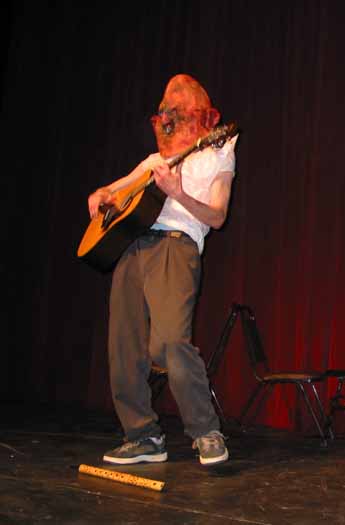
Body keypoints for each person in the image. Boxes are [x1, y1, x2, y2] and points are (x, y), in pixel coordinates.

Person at [87, 74, 238, 466]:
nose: (169, 120)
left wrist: (177, 193)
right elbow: (112, 191)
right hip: (132, 247)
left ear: (198, 114)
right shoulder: (155, 161)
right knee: (124, 347)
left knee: (169, 343)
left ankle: (206, 431)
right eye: (166, 113)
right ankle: (142, 436)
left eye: (178, 112)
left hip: (176, 244)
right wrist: (100, 196)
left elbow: (218, 216)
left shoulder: (218, 152)